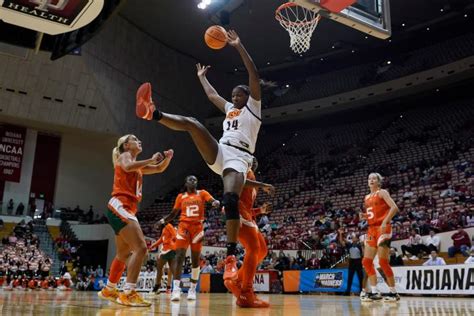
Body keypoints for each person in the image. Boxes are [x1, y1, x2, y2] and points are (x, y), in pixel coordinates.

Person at [136, 29, 262, 281]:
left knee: (230, 199)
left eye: (240, 94)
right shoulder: (229, 109)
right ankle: (153, 113)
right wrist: (201, 77)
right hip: (221, 150)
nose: (235, 97)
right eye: (234, 95)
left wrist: (238, 46)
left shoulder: (254, 109)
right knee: (193, 123)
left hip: (239, 158)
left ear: (248, 97)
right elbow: (213, 95)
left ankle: (229, 257)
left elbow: (253, 74)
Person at [98, 134, 173, 307]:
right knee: (140, 248)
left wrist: (167, 159)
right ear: (126, 145)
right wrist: (151, 159)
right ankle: (128, 293)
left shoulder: (137, 167)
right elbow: (128, 165)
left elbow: (159, 169)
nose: (139, 141)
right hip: (121, 206)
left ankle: (109, 289)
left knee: (123, 253)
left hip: (126, 208)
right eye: (134, 139)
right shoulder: (124, 157)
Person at [158, 175, 220, 301]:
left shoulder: (202, 193)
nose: (193, 181)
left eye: (195, 179)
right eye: (190, 179)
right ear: (186, 183)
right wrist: (162, 221)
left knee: (195, 260)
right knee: (179, 256)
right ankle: (176, 289)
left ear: (197, 183)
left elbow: (212, 200)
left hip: (197, 229)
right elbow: (174, 214)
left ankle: (192, 289)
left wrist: (215, 202)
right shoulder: (181, 197)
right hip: (183, 228)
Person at [224, 157, 274, 308]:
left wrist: (261, 210)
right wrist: (263, 185)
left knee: (263, 250)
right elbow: (239, 182)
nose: (253, 159)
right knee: (253, 248)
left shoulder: (252, 177)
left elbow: (247, 206)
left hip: (245, 214)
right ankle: (246, 293)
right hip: (236, 211)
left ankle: (236, 280)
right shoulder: (243, 170)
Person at [361, 173, 400, 302]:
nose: (371, 180)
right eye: (369, 178)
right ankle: (374, 291)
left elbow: (394, 207)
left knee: (383, 261)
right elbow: (375, 214)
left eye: (374, 178)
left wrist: (385, 221)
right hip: (371, 229)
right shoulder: (366, 197)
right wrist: (365, 217)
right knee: (366, 261)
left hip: (383, 227)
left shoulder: (382, 192)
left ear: (379, 181)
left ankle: (393, 292)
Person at [148, 223, 177, 295]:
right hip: (171, 250)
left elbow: (175, 235)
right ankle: (177, 288)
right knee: (172, 270)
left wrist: (172, 243)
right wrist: (153, 245)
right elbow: (161, 239)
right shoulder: (164, 229)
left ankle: (156, 287)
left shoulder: (169, 225)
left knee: (159, 267)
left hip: (168, 249)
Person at [338, 229, 363, 296]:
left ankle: (361, 291)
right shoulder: (349, 244)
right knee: (350, 277)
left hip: (358, 262)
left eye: (354, 237)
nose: (353, 238)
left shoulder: (360, 245)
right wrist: (340, 233)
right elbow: (341, 241)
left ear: (357, 239)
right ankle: (348, 291)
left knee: (360, 277)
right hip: (352, 262)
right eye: (352, 237)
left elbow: (363, 253)